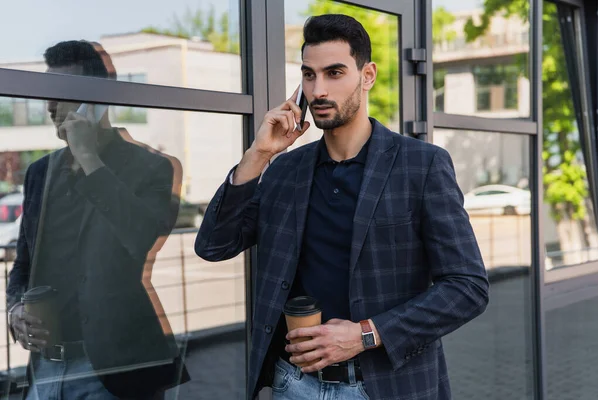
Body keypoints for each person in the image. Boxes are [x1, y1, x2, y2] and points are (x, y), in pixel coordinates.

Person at [196, 14, 489, 400]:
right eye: (309, 75)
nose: (319, 90)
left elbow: (468, 287)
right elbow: (214, 245)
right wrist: (258, 154)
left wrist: (367, 334)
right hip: (293, 384)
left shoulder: (421, 165)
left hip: (385, 385)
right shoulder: (285, 170)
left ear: (367, 76)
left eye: (334, 73)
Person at [6, 40, 188, 399]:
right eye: (47, 94)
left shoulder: (153, 167)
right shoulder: (40, 172)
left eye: (63, 94)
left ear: (98, 99)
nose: (51, 107)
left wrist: (88, 156)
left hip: (114, 369)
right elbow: (23, 262)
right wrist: (14, 309)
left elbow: (140, 239)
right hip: (45, 366)